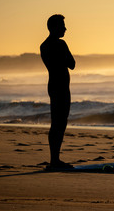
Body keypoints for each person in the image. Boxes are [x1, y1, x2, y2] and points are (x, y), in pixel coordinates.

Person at [40, 14, 75, 169]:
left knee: (57, 123)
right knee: (59, 123)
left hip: (54, 85)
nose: (65, 28)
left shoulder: (44, 45)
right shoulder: (59, 45)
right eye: (62, 25)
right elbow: (72, 64)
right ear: (54, 27)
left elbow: (69, 64)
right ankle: (54, 161)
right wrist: (63, 54)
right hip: (59, 86)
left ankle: (55, 159)